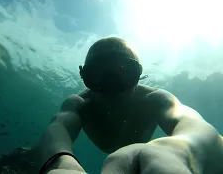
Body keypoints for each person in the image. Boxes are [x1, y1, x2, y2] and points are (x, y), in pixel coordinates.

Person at [35, 37, 223, 174]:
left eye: (124, 71)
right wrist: (61, 163)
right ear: (85, 77)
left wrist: (182, 150)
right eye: (99, 73)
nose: (112, 83)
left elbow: (193, 124)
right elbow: (58, 128)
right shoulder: (79, 104)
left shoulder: (154, 98)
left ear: (138, 75)